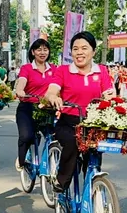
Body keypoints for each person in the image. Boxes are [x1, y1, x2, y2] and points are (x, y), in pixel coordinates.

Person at [42, 31, 114, 193]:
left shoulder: (101, 71)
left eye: (84, 48)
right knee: (73, 143)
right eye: (75, 49)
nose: (79, 52)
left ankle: (93, 192)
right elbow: (51, 91)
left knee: (94, 155)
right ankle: (61, 182)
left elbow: (109, 94)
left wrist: (114, 102)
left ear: (93, 51)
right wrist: (53, 97)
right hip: (68, 122)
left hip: (93, 123)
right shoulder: (63, 71)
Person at [13, 38, 54, 171]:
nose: (42, 52)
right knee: (26, 136)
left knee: (56, 136)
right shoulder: (27, 68)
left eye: (45, 49)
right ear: (33, 52)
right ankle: (21, 160)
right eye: (39, 49)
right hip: (28, 107)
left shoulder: (54, 69)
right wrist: (20, 91)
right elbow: (22, 82)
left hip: (48, 108)